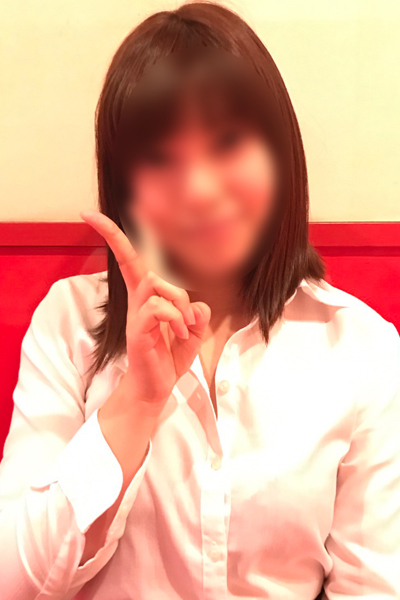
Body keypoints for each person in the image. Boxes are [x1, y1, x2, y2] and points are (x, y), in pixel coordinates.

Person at [1, 2, 400, 599]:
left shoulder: (361, 347)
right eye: (161, 159)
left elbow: (373, 585)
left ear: (279, 151)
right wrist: (135, 404)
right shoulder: (71, 321)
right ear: (125, 183)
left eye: (228, 143)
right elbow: (14, 582)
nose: (199, 189)